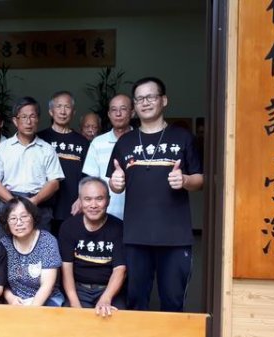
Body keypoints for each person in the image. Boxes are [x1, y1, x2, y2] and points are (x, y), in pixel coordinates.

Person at [107, 77, 203, 312]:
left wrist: (186, 180)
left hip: (174, 236)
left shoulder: (182, 137)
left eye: (150, 97)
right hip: (136, 236)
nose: (145, 102)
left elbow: (200, 179)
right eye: (139, 99)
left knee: (173, 301)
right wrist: (116, 183)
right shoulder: (125, 142)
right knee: (135, 301)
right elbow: (114, 181)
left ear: (164, 100)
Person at [0, 96, 65, 235]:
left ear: (38, 119)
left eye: (32, 116)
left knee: (40, 249)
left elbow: (54, 183)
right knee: (5, 250)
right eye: (23, 117)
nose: (28, 121)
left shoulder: (47, 149)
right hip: (8, 202)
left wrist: (33, 201)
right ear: (15, 121)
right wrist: (15, 203)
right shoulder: (3, 148)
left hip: (38, 203)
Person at [59, 177, 127, 316]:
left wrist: (106, 299)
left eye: (99, 199)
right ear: (80, 200)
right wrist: (74, 303)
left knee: (117, 322)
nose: (93, 205)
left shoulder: (119, 228)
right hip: (78, 289)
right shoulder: (69, 227)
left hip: (109, 290)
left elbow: (120, 269)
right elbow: (66, 268)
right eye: (88, 199)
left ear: (108, 200)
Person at [38, 91, 89, 235]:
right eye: (58, 106)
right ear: (50, 111)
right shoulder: (40, 139)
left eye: (67, 107)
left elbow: (88, 176)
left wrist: (81, 199)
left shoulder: (82, 142)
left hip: (73, 208)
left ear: (73, 112)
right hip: (42, 208)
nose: (62, 111)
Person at [0, 197, 64, 307]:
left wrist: (32, 309)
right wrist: (11, 298)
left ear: (33, 217)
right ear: (7, 222)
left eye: (24, 217)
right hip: (16, 302)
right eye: (13, 218)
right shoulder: (4, 244)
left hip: (46, 300)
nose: (19, 223)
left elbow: (47, 285)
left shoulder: (47, 241)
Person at [77, 94, 134, 221]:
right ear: (109, 114)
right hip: (106, 215)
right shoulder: (98, 143)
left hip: (138, 215)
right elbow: (89, 180)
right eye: (114, 110)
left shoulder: (141, 141)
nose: (118, 114)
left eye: (123, 109)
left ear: (132, 112)